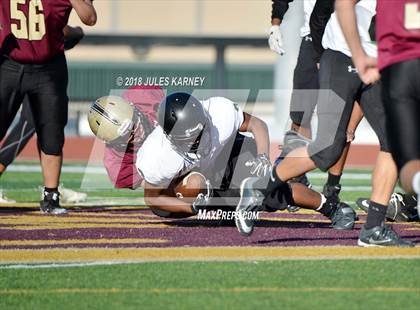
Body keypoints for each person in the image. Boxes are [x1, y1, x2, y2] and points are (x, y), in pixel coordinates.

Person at [236, 0, 413, 247]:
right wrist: (347, 55)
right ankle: (260, 186)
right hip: (343, 57)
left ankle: (373, 228)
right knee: (328, 148)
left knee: (395, 141)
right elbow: (336, 6)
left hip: (376, 66)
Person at [0, 0, 97, 214]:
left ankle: (51, 196)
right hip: (9, 64)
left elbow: (89, 18)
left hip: (48, 67)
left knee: (51, 131)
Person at [269, 0, 364, 207]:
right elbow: (319, 15)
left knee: (346, 122)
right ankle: (295, 177)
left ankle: (332, 187)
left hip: (356, 46)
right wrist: (275, 23)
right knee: (300, 112)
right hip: (316, 40)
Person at [335, 0, 420, 219]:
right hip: (402, 63)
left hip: (400, 68)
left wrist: (359, 55)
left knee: (407, 163)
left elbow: (343, 5)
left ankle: (411, 195)